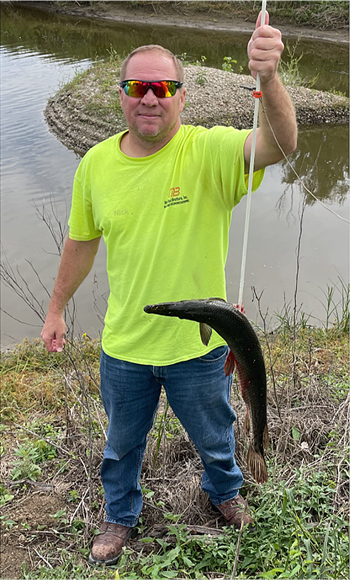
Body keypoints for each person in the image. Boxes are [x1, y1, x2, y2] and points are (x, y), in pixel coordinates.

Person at [41, 11, 297, 567]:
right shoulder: (96, 164)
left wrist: (270, 79)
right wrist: (56, 306)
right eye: (138, 87)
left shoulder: (207, 151)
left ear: (181, 96)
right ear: (122, 95)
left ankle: (224, 491)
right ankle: (119, 515)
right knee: (121, 446)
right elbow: (81, 243)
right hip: (126, 345)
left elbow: (280, 144)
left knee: (217, 433)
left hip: (201, 349)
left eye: (163, 87)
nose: (150, 98)